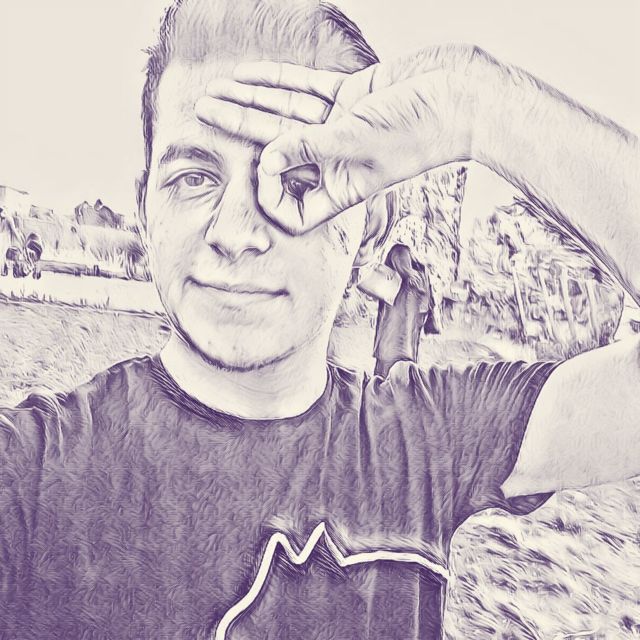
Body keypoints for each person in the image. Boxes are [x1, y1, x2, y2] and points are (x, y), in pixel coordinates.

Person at [0, 1, 638, 638]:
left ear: (372, 223)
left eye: (297, 178)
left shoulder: (426, 439)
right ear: (144, 206)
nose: (235, 233)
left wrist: (481, 106)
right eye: (194, 177)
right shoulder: (32, 470)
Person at [373, 242, 433, 376]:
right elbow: (424, 310)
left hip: (391, 348)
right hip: (406, 349)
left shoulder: (396, 281)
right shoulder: (419, 278)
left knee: (385, 375)